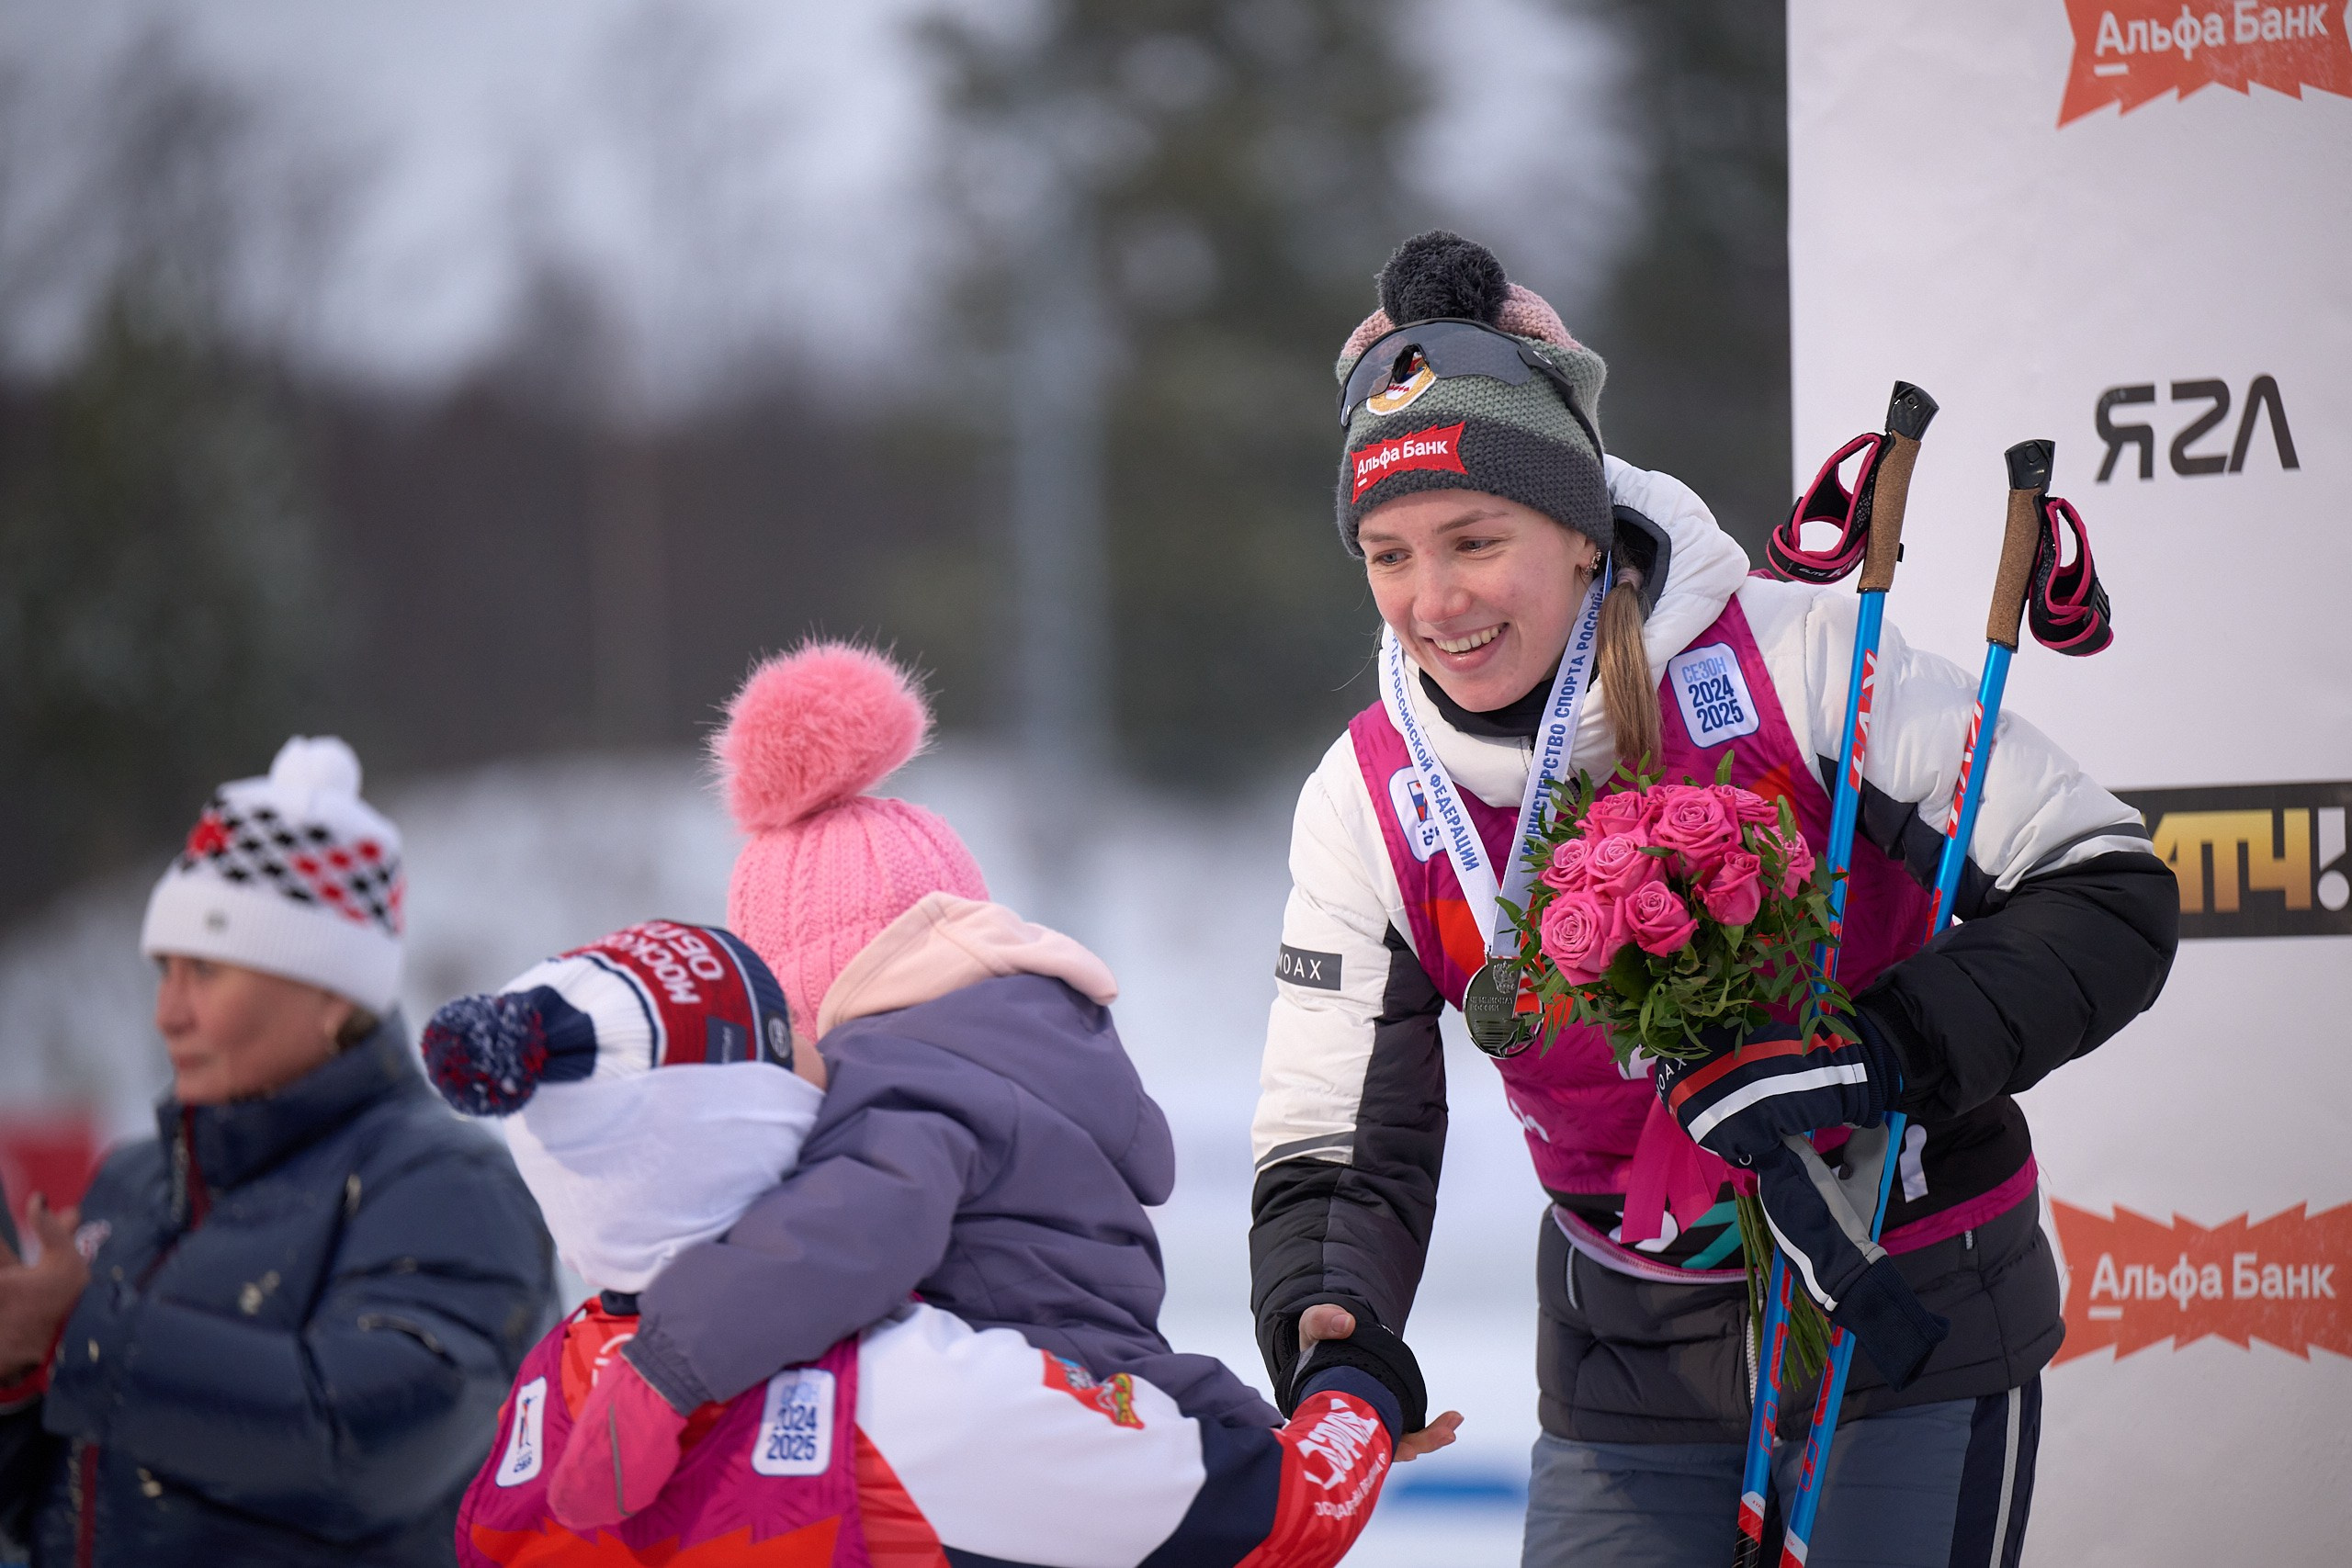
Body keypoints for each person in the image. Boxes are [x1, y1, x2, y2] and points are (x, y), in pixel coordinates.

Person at [1246, 232, 2179, 1568]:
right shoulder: (1368, 795)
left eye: (1475, 539)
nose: (1433, 599)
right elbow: (1341, 1138)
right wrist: (1328, 1313)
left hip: (1910, 1301)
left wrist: (1871, 1051)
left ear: (1577, 527)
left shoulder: (1796, 656)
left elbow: (2107, 893)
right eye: (1389, 555)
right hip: (1630, 1357)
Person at [423, 913, 1399, 1568]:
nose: (842, 1067)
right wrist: (1357, 1390)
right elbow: (1280, 1513)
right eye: (802, 1047)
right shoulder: (919, 1392)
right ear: (745, 1111)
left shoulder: (548, 1396)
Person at [0, 737, 552, 1566]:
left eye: (208, 972)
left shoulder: (448, 1182)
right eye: (165, 969)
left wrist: (79, 1337)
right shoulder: (135, 1179)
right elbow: (49, 1505)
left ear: (334, 990)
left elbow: (369, 1445)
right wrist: (15, 1374)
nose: (168, 1012)